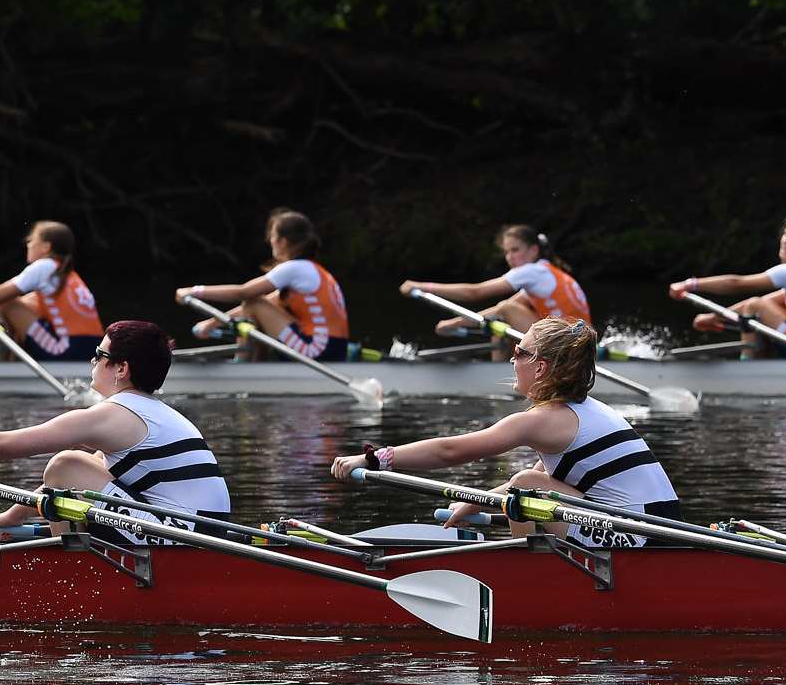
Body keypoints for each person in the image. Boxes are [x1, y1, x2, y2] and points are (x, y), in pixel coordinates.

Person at [328, 316, 680, 548]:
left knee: (526, 484)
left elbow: (450, 452)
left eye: (518, 353)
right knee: (525, 482)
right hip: (661, 529)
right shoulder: (588, 410)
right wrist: (476, 499)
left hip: (642, 537)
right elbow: (550, 478)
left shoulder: (542, 419)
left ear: (540, 368)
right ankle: (536, 564)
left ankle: (527, 574)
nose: (511, 361)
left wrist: (372, 459)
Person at [0, 320, 231, 540]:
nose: (92, 361)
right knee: (77, 466)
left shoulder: (112, 415)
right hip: (202, 532)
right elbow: (90, 483)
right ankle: (63, 548)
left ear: (121, 369)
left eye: (99, 354)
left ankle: (72, 574)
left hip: (186, 539)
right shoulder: (153, 413)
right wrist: (15, 517)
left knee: (64, 464)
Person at [175, 208, 357, 361]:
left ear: (283, 242)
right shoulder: (312, 271)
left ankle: (243, 367)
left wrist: (194, 291)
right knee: (256, 305)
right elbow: (266, 305)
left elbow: (243, 293)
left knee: (252, 302)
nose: (269, 240)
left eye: (272, 236)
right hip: (334, 349)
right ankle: (253, 365)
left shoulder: (294, 268)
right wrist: (212, 324)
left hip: (317, 350)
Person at [668, 213, 786, 358]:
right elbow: (756, 303)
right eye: (785, 235)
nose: (785, 241)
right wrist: (713, 317)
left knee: (755, 307)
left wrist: (689, 284)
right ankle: (759, 363)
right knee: (757, 307)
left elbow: (737, 284)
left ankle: (748, 367)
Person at [399, 224, 590, 359]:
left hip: (566, 344)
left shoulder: (532, 272)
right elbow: (499, 309)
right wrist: (454, 323)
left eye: (515, 250)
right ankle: (504, 368)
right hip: (576, 341)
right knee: (503, 312)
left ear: (533, 250)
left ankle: (498, 372)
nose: (510, 257)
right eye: (507, 252)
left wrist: (422, 286)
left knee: (506, 310)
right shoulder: (544, 273)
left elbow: (475, 293)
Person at [0, 220, 104, 362]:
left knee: (7, 304)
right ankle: (4, 362)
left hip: (67, 350)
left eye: (32, 240)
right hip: (92, 350)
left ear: (46, 247)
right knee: (10, 304)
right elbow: (17, 304)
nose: (28, 244)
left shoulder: (44, 266)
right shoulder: (66, 275)